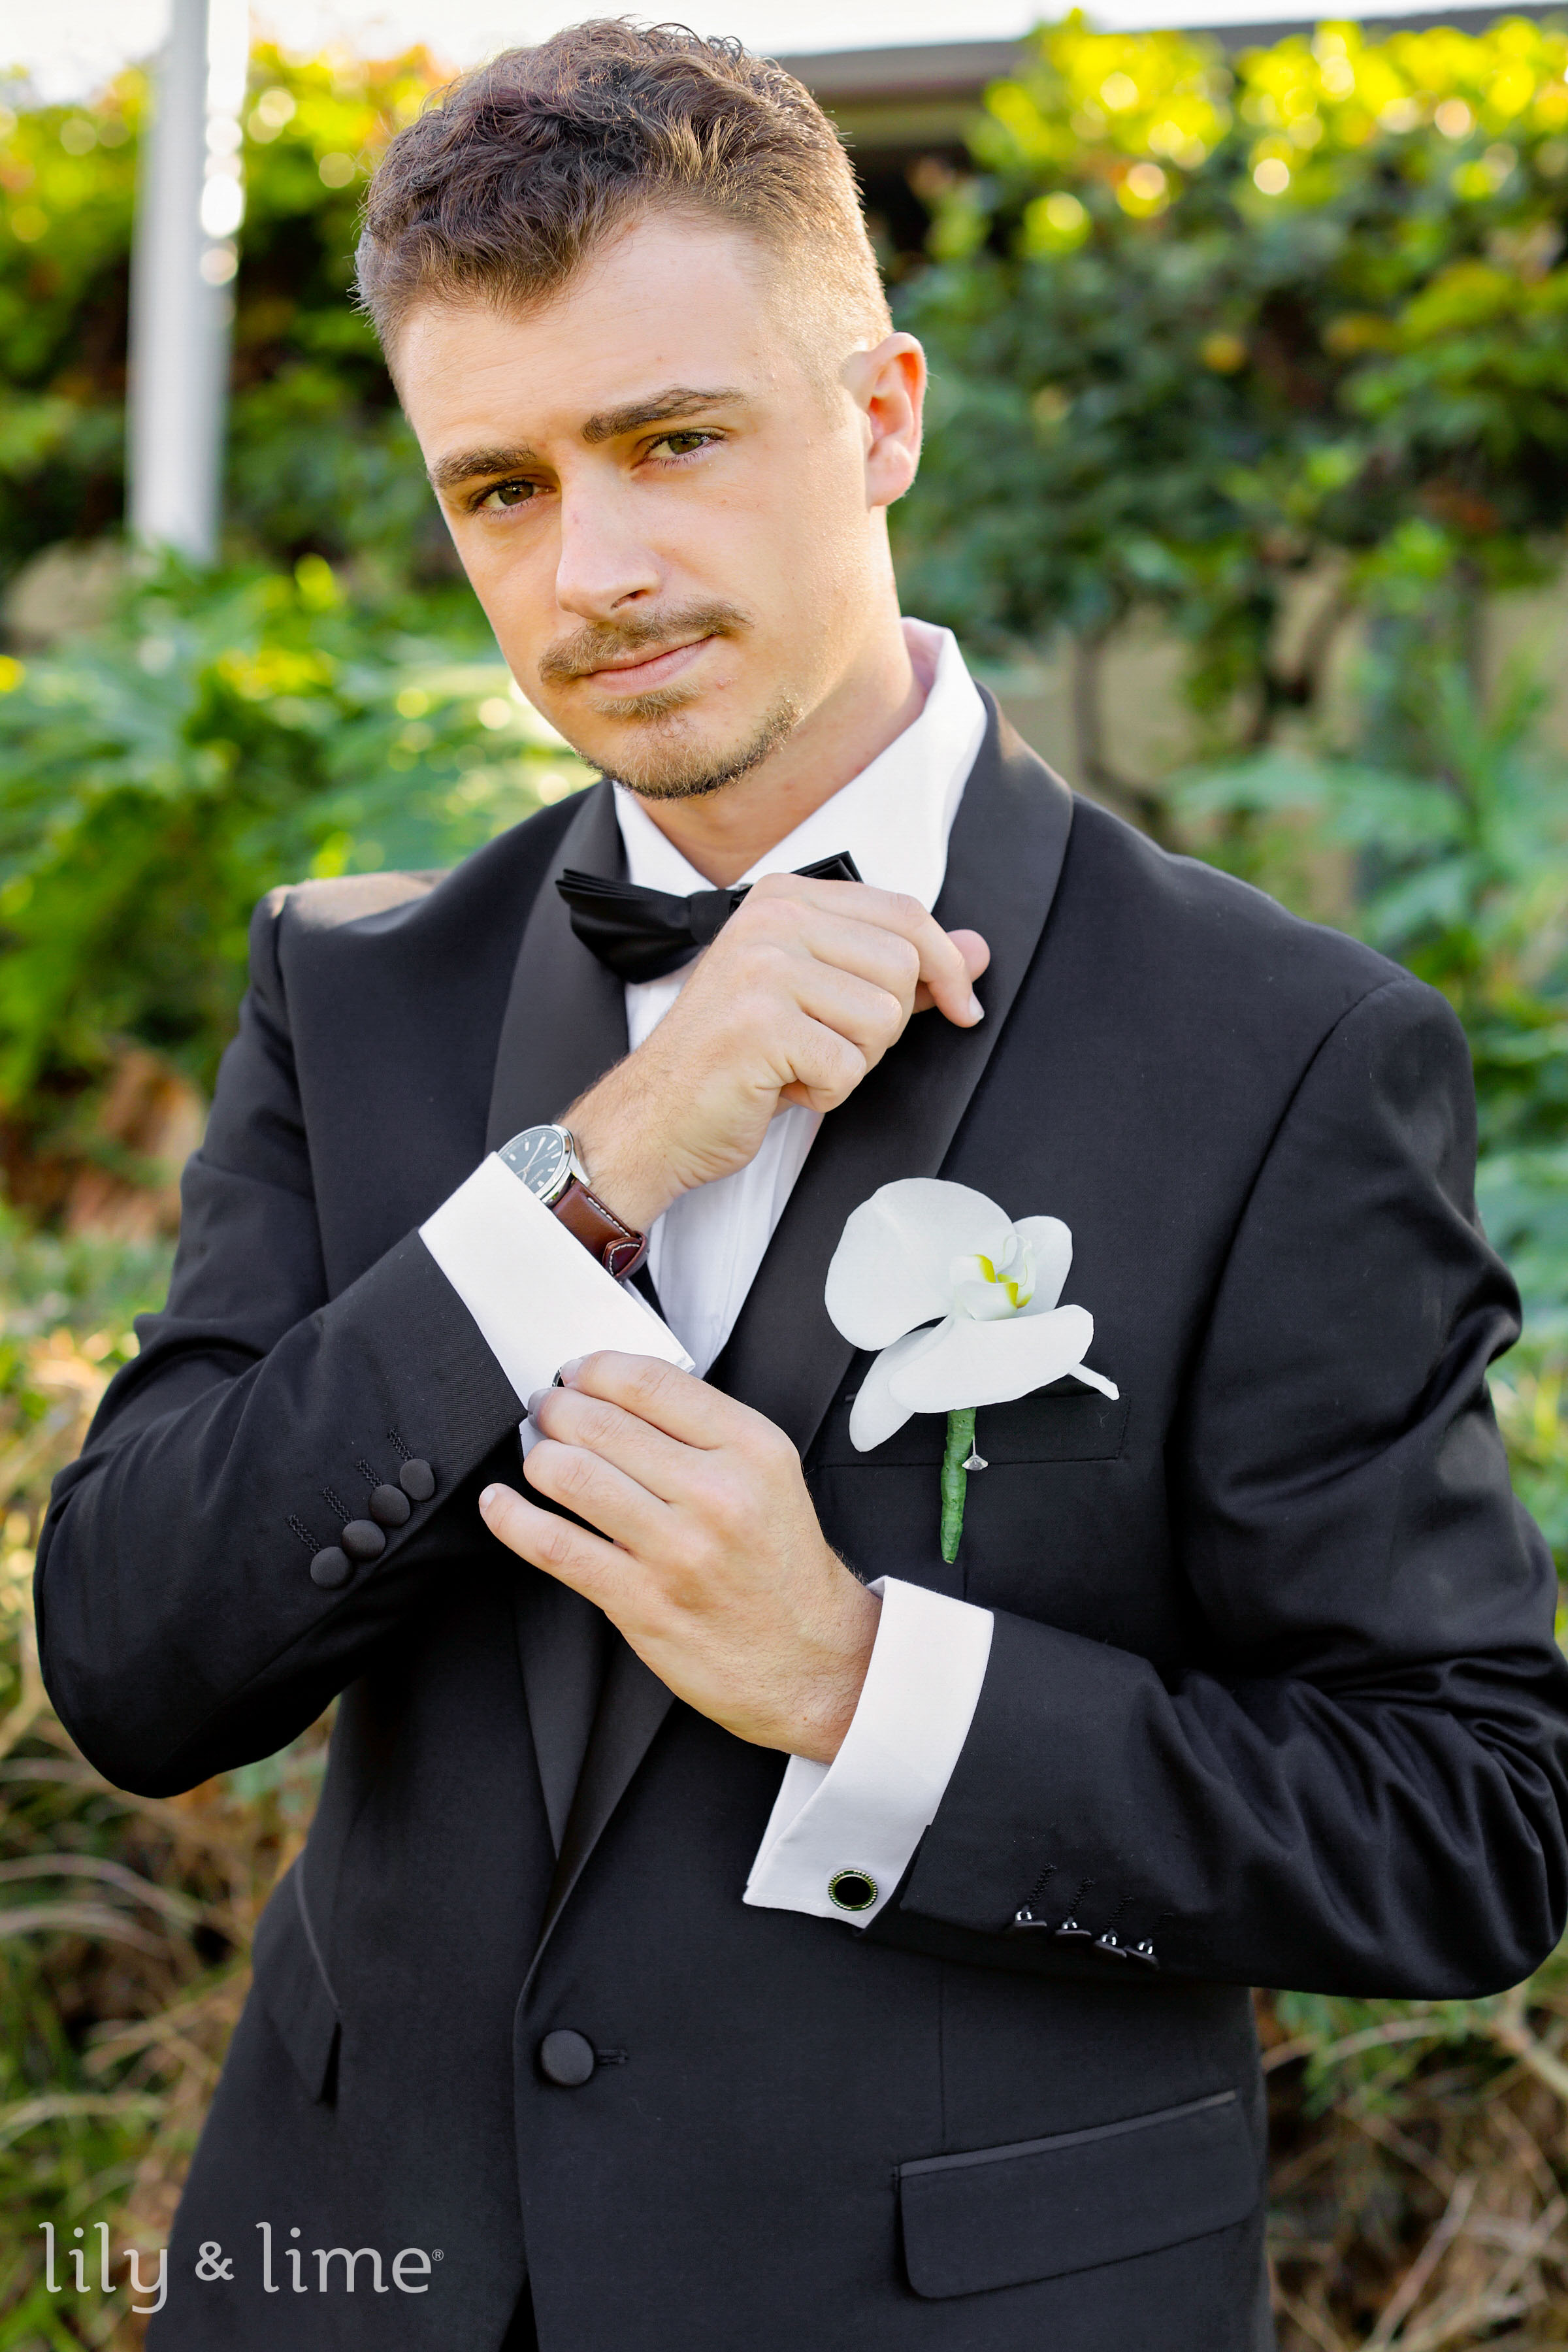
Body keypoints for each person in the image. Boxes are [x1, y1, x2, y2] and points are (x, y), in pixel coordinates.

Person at [37, 23, 1568, 2350]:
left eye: (673, 440)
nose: (596, 570)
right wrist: (589, 1176)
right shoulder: (354, 993)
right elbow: (136, 1662)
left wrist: (862, 1683)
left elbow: (1468, 1825)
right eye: (501, 489)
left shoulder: (1281, 1053)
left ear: (881, 417)